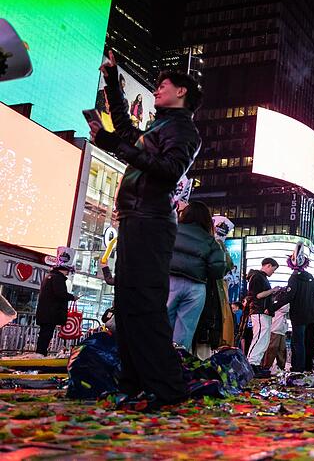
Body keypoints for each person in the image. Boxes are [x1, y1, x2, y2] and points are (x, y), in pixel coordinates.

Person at [89, 51, 202, 409]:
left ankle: (166, 387)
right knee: (126, 305)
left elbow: (168, 170)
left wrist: (113, 144)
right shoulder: (159, 127)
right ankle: (134, 382)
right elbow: (125, 130)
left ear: (181, 91)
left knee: (145, 304)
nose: (156, 90)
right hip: (135, 218)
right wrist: (112, 80)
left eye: (162, 85)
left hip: (151, 221)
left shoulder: (183, 130)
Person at [165, 201, 227, 353]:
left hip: (169, 282)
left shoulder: (171, 231)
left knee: (162, 324)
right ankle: (177, 361)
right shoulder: (211, 241)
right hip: (195, 287)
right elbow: (218, 270)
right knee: (185, 330)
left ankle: (156, 359)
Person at [275, 242, 314, 372]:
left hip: (298, 315)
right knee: (303, 342)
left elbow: (289, 297)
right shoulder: (310, 277)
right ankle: (302, 366)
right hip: (311, 316)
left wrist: (273, 307)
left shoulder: (294, 278)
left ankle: (298, 367)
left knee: (298, 342)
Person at [245, 258, 281, 375]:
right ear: (268, 265)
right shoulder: (257, 277)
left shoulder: (261, 277)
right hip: (259, 311)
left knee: (264, 339)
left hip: (263, 312)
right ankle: (251, 364)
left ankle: (256, 364)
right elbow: (258, 295)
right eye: (273, 270)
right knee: (260, 337)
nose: (273, 272)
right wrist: (272, 290)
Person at [35, 265, 79, 356]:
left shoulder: (49, 276)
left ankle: (40, 352)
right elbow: (60, 293)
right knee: (46, 334)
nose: (68, 273)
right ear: (62, 270)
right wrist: (72, 297)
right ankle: (41, 353)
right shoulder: (58, 278)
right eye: (67, 271)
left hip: (45, 311)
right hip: (52, 312)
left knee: (43, 334)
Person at [262, 302, 289, 371]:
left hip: (282, 330)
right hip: (275, 329)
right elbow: (285, 308)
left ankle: (281, 367)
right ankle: (266, 367)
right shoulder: (277, 302)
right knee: (272, 349)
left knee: (281, 350)